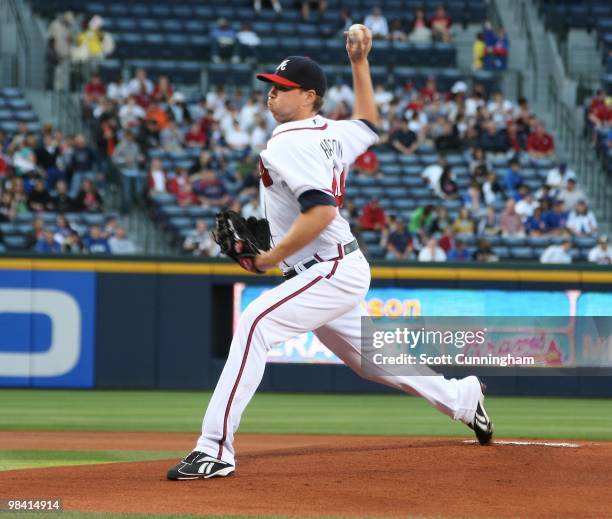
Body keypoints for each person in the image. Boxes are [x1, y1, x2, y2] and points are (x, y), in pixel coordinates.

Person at [167, 34, 492, 481]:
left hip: (330, 268)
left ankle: (215, 449)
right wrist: (360, 62)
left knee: (256, 323)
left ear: (309, 97)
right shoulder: (331, 132)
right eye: (272, 84)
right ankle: (463, 398)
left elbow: (321, 211)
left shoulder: (290, 141)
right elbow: (371, 124)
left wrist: (271, 257)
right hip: (335, 266)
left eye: (282, 86)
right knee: (379, 363)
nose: (272, 91)